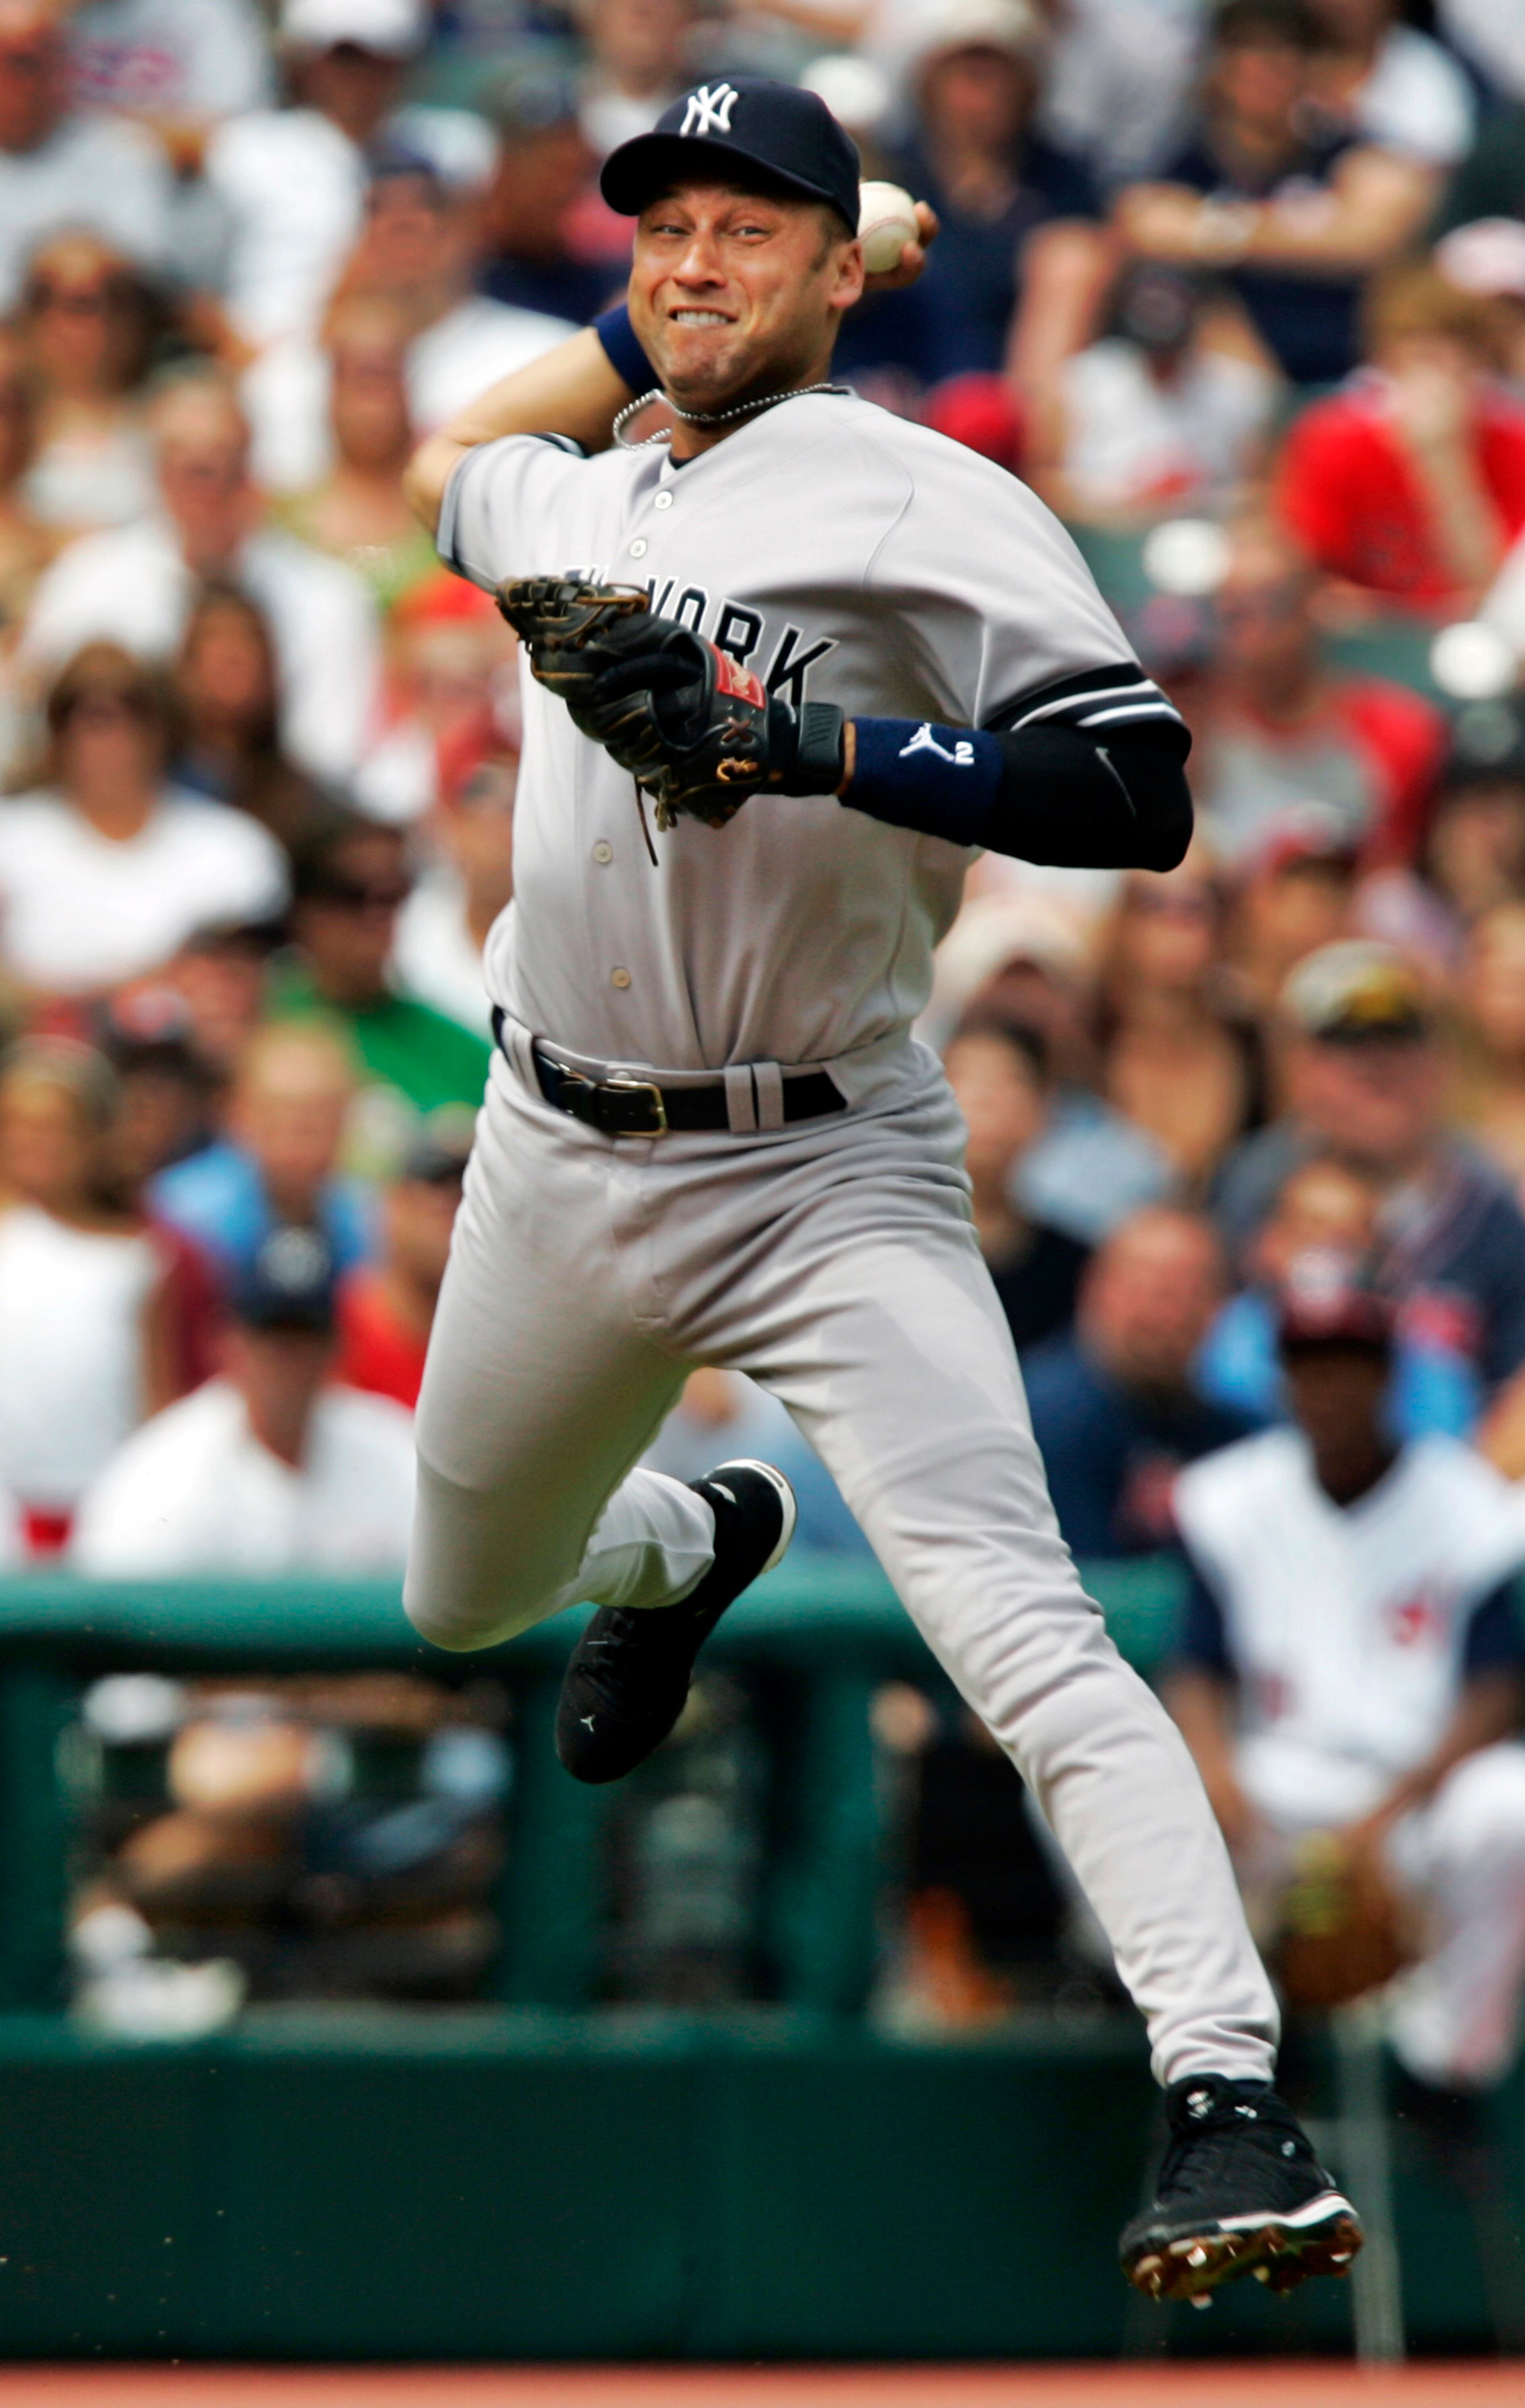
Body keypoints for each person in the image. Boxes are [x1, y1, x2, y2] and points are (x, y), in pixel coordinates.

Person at [402, 73, 1359, 2300]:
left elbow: (1134, 792)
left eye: (754, 223)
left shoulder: (918, 495)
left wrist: (809, 737)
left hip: (825, 1158)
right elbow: (458, 448)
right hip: (555, 1141)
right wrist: (755, 277)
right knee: (462, 1590)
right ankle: (686, 1538)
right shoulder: (562, 495)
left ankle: (1221, 2089)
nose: (693, 253)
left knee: (1016, 1620)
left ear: (843, 276)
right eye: (665, 224)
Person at [1170, 1266, 1525, 2109]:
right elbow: (1195, 1670)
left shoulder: (1472, 1503)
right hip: (1273, 1787)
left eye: (1350, 1362)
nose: (1329, 1385)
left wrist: (1380, 1819)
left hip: (1414, 1798)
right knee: (1125, 1784)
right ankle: (1222, 2041)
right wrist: (1217, 1777)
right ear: (1284, 1376)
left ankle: (1441, 2072)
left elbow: (1495, 1693)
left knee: (1509, 1804)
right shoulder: (1227, 1496)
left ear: (1390, 1373)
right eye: (1310, 1363)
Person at [19, 376, 384, 786]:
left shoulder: (327, 597)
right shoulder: (86, 583)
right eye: (190, 469)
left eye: (224, 466)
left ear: (252, 471)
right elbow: (47, 725)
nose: (207, 488)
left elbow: (329, 754)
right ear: (156, 475)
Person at [1215, 940, 1525, 1401]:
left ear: (1438, 1062)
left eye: (1399, 1038)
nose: (1377, 1066)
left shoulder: (1489, 1201)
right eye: (1347, 1043)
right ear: (1300, 1068)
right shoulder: (1254, 1185)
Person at [1114, 0, 1436, 389]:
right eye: (1249, 58)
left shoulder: (1344, 151)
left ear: (1310, 68)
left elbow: (1371, 237)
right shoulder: (1188, 162)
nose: (1265, 75)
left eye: (1280, 59)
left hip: (1352, 368)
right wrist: (1314, 227)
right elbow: (1148, 228)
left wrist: (1216, 230)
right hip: (1235, 377)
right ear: (1218, 69)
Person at [72, 1223, 417, 1573]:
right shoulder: (163, 1473)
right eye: (270, 1339)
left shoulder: (393, 1447)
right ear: (226, 1342)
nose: (290, 1360)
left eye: (307, 1337)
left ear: (337, 1347)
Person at [244, 151, 574, 498]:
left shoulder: (545, 358)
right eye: (377, 212)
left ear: (466, 231)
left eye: (426, 209)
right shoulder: (286, 378)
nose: (401, 234)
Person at [0, 641, 288, 997]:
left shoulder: (234, 848)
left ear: (163, 726)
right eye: (81, 712)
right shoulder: (9, 840)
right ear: (56, 732)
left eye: (131, 710)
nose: (108, 735)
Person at [0, 1037, 181, 1553]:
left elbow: (156, 1399)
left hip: (103, 1508)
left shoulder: (140, 1259)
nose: (37, 1143)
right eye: (20, 1127)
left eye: (56, 1128)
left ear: (97, 1138)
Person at [1189, 514, 1447, 869]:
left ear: (1313, 605)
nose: (1251, 635)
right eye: (1234, 614)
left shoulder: (1398, 733)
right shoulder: (1193, 728)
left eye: (1271, 607)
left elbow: (1396, 883)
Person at [1277, 262, 1525, 614]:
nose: (1436, 375)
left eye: (1453, 354)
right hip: (1365, 639)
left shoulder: (1515, 443)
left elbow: (1499, 594)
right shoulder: (1332, 437)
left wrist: (1444, 461)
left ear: (1479, 361)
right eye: (1420, 356)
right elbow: (1310, 576)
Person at [1022, 1206, 1256, 1557]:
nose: (1169, 1316)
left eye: (1192, 1294)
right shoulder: (1037, 1420)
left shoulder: (1233, 1440)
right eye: (1152, 1290)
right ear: (1095, 1288)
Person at [269, 812, 493, 1117]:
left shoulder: (459, 1048)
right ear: (303, 908)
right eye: (352, 892)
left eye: (394, 893)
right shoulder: (262, 1022)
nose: (379, 914)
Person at [1025, 261, 1278, 528]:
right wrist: (1128, 502)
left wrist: (1192, 500)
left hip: (1206, 534)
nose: (1161, 364)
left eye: (1170, 354)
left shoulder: (1237, 387)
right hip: (1107, 536)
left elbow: (1261, 490)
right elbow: (1045, 483)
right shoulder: (1083, 381)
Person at [150, 1021, 374, 1281]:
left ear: (346, 1121)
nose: (292, 1144)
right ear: (236, 1116)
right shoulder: (179, 1212)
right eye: (272, 1123)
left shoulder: (370, 1221)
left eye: (312, 1126)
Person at [1094, 858, 1266, 1193]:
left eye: (1199, 904)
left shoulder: (1251, 1039)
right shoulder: (1086, 1037)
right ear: (1121, 919)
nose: (1177, 921)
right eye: (1152, 902)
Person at [0, 0, 174, 313]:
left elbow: (139, 287)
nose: (10, 80)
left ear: (62, 66)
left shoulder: (126, 154)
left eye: (24, 62)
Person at [942, 1011, 1090, 1352]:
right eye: (967, 1080)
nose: (986, 1100)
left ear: (1044, 1107)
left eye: (1010, 1081)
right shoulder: (893, 1247)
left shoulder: (1076, 1269)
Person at [15, 231, 160, 537]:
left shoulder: (168, 425)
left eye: (118, 299)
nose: (58, 319)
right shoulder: (10, 427)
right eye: (42, 299)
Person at [334, 1112, 469, 1407]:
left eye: (473, 1187)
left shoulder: (503, 1346)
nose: (456, 1203)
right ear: (391, 1204)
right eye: (437, 1182)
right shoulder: (334, 1331)